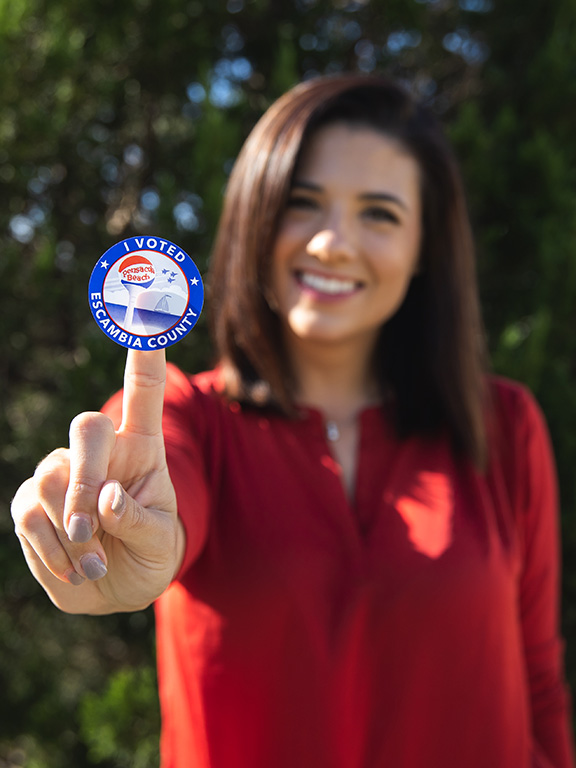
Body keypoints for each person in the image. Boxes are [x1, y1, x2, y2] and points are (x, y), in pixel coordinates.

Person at [11, 73, 575, 768]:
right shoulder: (189, 420)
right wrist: (109, 520)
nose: (333, 243)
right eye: (303, 204)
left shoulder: (505, 426)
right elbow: (154, 474)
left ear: (425, 247)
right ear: (257, 217)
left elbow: (540, 683)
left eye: (380, 214)